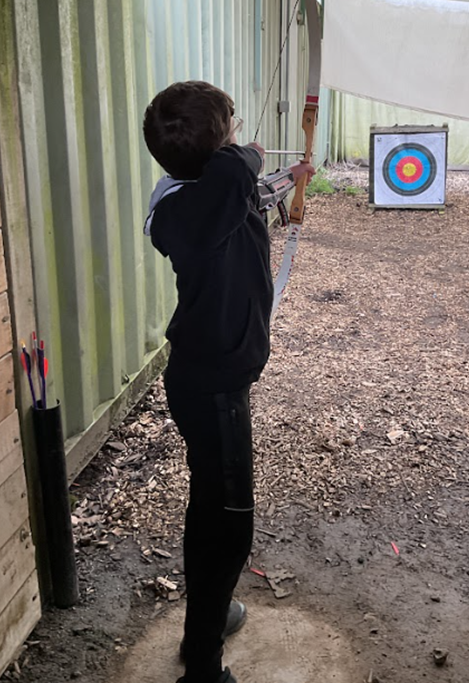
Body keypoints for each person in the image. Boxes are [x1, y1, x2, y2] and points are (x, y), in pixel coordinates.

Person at [142, 80, 315, 683]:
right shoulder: (182, 209)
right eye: (231, 126)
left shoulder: (215, 195)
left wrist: (289, 179)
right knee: (229, 523)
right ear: (217, 150)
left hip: (212, 382)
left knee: (208, 508)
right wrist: (248, 155)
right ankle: (204, 666)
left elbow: (242, 191)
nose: (241, 136)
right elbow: (236, 172)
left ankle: (205, 624)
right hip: (212, 390)